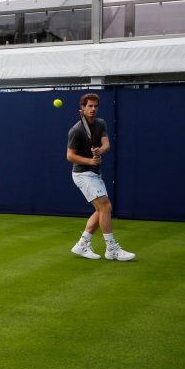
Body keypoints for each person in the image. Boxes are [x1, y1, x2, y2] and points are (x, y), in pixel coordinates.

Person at [66, 94, 135, 262]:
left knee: (101, 210)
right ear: (82, 109)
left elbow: (107, 144)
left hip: (95, 173)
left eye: (95, 106)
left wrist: (99, 151)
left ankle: (82, 245)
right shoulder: (76, 130)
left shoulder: (100, 123)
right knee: (106, 206)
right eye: (89, 106)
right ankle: (112, 249)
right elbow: (70, 156)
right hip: (82, 174)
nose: (93, 109)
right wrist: (89, 160)